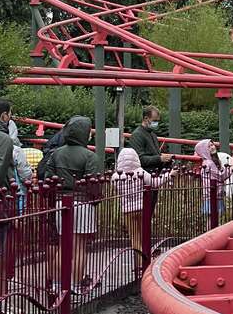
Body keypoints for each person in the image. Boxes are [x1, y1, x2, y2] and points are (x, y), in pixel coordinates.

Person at [44, 116, 100, 290]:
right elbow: (94, 185)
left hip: (62, 202)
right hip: (83, 204)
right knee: (79, 247)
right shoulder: (90, 156)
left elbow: (47, 179)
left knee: (63, 245)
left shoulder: (56, 153)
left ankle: (56, 285)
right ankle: (74, 286)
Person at [112, 146, 173, 279]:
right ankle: (145, 263)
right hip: (142, 208)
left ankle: (138, 264)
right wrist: (169, 175)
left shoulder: (115, 176)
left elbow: (116, 189)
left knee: (134, 238)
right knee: (144, 236)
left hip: (127, 210)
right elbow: (155, 182)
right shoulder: (140, 172)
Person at [195, 139, 233, 222]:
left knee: (213, 219)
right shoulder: (209, 163)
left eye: (212, 145)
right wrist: (230, 169)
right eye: (209, 146)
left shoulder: (211, 162)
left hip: (213, 194)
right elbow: (220, 176)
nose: (212, 147)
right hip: (213, 194)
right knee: (213, 219)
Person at [129, 106, 173, 174]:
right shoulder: (137, 135)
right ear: (146, 118)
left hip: (154, 174)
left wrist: (164, 158)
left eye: (158, 121)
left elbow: (154, 154)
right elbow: (139, 159)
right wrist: (160, 158)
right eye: (154, 121)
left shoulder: (152, 134)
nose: (156, 123)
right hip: (144, 175)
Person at [0, 99, 15, 191]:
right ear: (3, 115)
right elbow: (0, 167)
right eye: (9, 114)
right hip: (1, 192)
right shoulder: (4, 139)